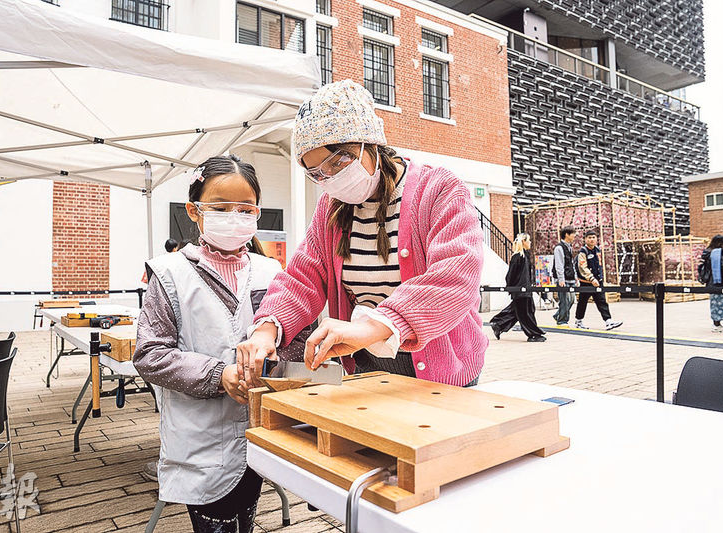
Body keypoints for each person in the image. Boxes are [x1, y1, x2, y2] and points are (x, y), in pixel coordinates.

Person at [236, 79, 486, 388]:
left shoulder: (438, 190)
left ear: (371, 143)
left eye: (338, 161)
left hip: (445, 368)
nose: (330, 178)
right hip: (369, 364)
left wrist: (375, 325)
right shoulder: (331, 209)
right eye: (317, 173)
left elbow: (455, 277)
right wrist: (266, 328)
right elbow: (303, 277)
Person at [133, 155, 286, 533]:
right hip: (200, 439)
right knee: (214, 518)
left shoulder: (272, 273)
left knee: (247, 510)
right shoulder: (170, 274)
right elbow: (150, 354)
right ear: (194, 210)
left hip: (260, 431)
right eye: (220, 207)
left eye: (245, 208)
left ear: (257, 212)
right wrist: (220, 375)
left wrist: (275, 360)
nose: (234, 217)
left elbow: (293, 339)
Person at [490, 234, 546, 342]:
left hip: (525, 289)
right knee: (525, 312)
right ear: (524, 242)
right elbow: (510, 275)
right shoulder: (518, 256)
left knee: (520, 310)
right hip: (521, 290)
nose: (530, 242)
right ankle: (533, 334)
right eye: (529, 240)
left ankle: (498, 324)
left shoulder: (525, 255)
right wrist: (513, 288)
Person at [574, 230, 623, 330]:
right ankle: (578, 321)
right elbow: (582, 267)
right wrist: (591, 278)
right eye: (589, 238)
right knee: (582, 302)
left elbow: (599, 265)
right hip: (586, 282)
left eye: (593, 237)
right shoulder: (583, 252)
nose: (592, 239)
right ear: (585, 239)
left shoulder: (597, 250)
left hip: (598, 281)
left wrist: (600, 278)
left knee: (601, 300)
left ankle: (608, 321)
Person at [701, 235, 723, 332]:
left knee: (715, 304)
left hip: (712, 283)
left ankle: (716, 323)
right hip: (721, 283)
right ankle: (722, 324)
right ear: (720, 243)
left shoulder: (707, 252)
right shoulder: (718, 253)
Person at [552, 226, 577, 325]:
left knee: (571, 300)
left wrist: (575, 277)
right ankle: (562, 320)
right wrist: (560, 279)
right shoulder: (559, 248)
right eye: (573, 233)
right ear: (567, 235)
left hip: (570, 278)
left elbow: (571, 263)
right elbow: (559, 264)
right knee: (564, 300)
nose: (575, 236)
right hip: (563, 279)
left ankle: (558, 315)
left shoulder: (569, 247)